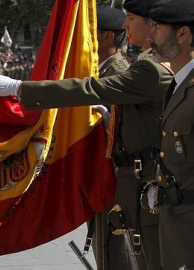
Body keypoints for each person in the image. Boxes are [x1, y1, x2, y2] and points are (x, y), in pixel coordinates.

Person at [0, 0, 172, 269]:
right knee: (120, 250)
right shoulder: (145, 63)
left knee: (132, 254)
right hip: (126, 176)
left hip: (138, 177)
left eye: (131, 18)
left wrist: (19, 88)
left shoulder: (150, 68)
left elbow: (91, 88)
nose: (125, 24)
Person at [149, 1, 194, 268]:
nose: (150, 35)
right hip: (176, 221)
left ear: (182, 34)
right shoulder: (178, 84)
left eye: (157, 27)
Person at [88, 6, 130, 269]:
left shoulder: (118, 74)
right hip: (98, 178)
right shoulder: (100, 72)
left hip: (114, 179)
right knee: (103, 251)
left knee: (116, 253)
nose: (85, 39)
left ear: (108, 37)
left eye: (90, 33)